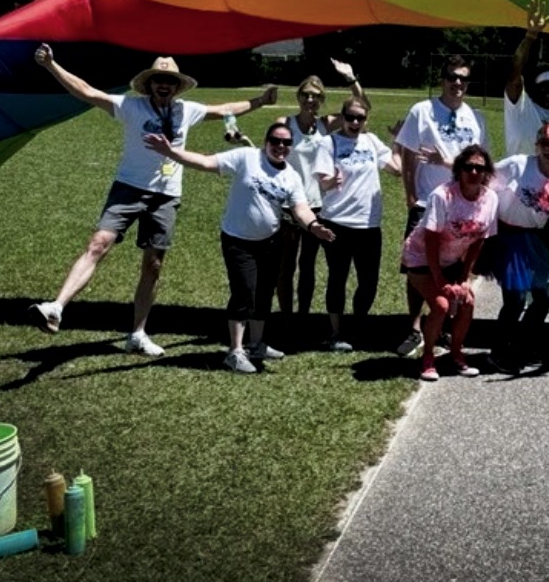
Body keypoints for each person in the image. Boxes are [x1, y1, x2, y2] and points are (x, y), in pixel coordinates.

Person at [28, 45, 277, 355]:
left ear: (176, 87)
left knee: (154, 265)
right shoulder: (131, 107)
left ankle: (137, 333)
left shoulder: (186, 111)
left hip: (166, 196)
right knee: (98, 244)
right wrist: (52, 65)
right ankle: (57, 307)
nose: (164, 85)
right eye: (159, 79)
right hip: (128, 188)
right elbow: (87, 92)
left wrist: (261, 101)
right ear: (149, 84)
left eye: (170, 81)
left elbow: (226, 109)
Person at [144, 123, 336, 373]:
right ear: (266, 140)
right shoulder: (246, 157)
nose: (280, 147)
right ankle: (234, 351)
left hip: (270, 241)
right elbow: (204, 162)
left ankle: (256, 344)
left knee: (264, 293)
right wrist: (171, 152)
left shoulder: (291, 176)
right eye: (275, 141)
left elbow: (300, 208)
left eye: (287, 143)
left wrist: (313, 226)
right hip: (238, 240)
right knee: (244, 290)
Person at [394, 54, 491, 357]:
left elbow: (480, 161)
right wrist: (411, 196)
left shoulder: (476, 118)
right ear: (442, 79)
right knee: (417, 267)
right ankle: (414, 328)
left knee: (456, 265)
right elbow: (408, 155)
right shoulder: (422, 111)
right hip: (426, 200)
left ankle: (447, 326)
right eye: (452, 76)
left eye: (463, 78)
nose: (457, 83)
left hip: (462, 205)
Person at [488, 122, 549, 374]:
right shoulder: (518, 164)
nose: (548, 148)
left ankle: (523, 344)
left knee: (544, 298)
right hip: (506, 234)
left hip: (531, 240)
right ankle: (499, 350)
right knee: (516, 299)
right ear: (536, 145)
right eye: (544, 143)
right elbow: (485, 177)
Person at [401, 145, 499, 381]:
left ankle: (456, 354)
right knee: (441, 306)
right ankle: (427, 359)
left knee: (466, 302)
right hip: (421, 257)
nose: (474, 172)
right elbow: (431, 239)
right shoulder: (442, 196)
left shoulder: (490, 199)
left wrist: (465, 278)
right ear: (458, 170)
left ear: (486, 172)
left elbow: (479, 240)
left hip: (453, 258)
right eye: (468, 167)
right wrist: (440, 280)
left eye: (480, 168)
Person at [275, 64, 365, 318]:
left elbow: (362, 106)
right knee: (286, 266)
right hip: (288, 205)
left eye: (316, 96)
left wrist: (350, 78)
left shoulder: (326, 125)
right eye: (305, 94)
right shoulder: (284, 123)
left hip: (316, 206)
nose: (310, 100)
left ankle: (302, 315)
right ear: (298, 97)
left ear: (322, 100)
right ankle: (285, 317)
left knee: (308, 265)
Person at [314, 96, 401, 351]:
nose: (354, 122)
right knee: (337, 277)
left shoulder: (371, 141)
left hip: (368, 224)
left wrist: (396, 141)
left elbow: (395, 170)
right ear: (342, 117)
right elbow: (323, 181)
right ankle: (336, 332)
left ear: (366, 120)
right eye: (350, 117)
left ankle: (358, 324)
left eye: (360, 118)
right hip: (337, 222)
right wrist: (332, 182)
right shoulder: (328, 143)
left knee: (369, 281)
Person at [504, 0, 549, 156]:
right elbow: (515, 70)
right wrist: (531, 36)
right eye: (546, 86)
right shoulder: (521, 106)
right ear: (536, 88)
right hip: (518, 177)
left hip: (547, 179)